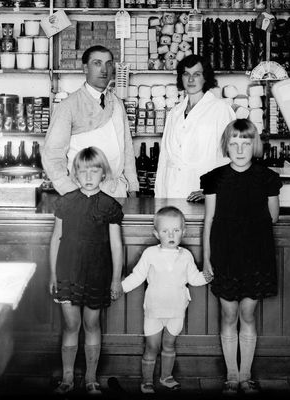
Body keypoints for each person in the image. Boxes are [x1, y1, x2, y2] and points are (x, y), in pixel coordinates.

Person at [200, 119, 282, 396]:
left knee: (248, 314)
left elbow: (273, 216)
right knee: (229, 313)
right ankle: (231, 376)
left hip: (256, 255)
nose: (239, 149)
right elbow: (208, 220)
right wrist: (207, 259)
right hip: (225, 254)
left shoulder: (267, 177)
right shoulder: (215, 178)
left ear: (254, 145)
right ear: (226, 146)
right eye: (233, 143)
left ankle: (246, 375)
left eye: (245, 143)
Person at [48, 147, 125, 395]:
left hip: (97, 273)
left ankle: (91, 377)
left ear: (103, 173)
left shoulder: (109, 206)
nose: (89, 176)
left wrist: (115, 280)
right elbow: (56, 239)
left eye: (95, 170)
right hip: (68, 272)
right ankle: (68, 377)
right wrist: (52, 274)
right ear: (75, 174)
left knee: (92, 324)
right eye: (83, 171)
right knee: (71, 324)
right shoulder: (65, 202)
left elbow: (116, 245)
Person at [121, 206, 213, 394]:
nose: (171, 234)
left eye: (176, 230)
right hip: (154, 311)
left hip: (177, 311)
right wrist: (118, 288)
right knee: (152, 347)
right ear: (156, 233)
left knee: (169, 345)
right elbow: (137, 276)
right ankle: (147, 380)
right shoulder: (150, 254)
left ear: (183, 232)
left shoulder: (186, 256)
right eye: (165, 231)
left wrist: (207, 276)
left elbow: (193, 279)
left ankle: (166, 377)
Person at [43, 45, 139, 198]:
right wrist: (69, 191)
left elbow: (127, 150)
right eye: (97, 63)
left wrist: (133, 187)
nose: (104, 70)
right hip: (83, 193)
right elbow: (52, 154)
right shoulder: (69, 105)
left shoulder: (117, 103)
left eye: (108, 63)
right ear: (85, 68)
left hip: (116, 192)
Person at [154, 54, 235, 201]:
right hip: (171, 192)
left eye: (197, 74)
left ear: (205, 77)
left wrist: (213, 190)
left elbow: (230, 157)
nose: (191, 80)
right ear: (181, 78)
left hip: (203, 194)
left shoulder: (221, 110)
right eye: (186, 74)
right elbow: (164, 158)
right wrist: (159, 198)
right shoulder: (175, 112)